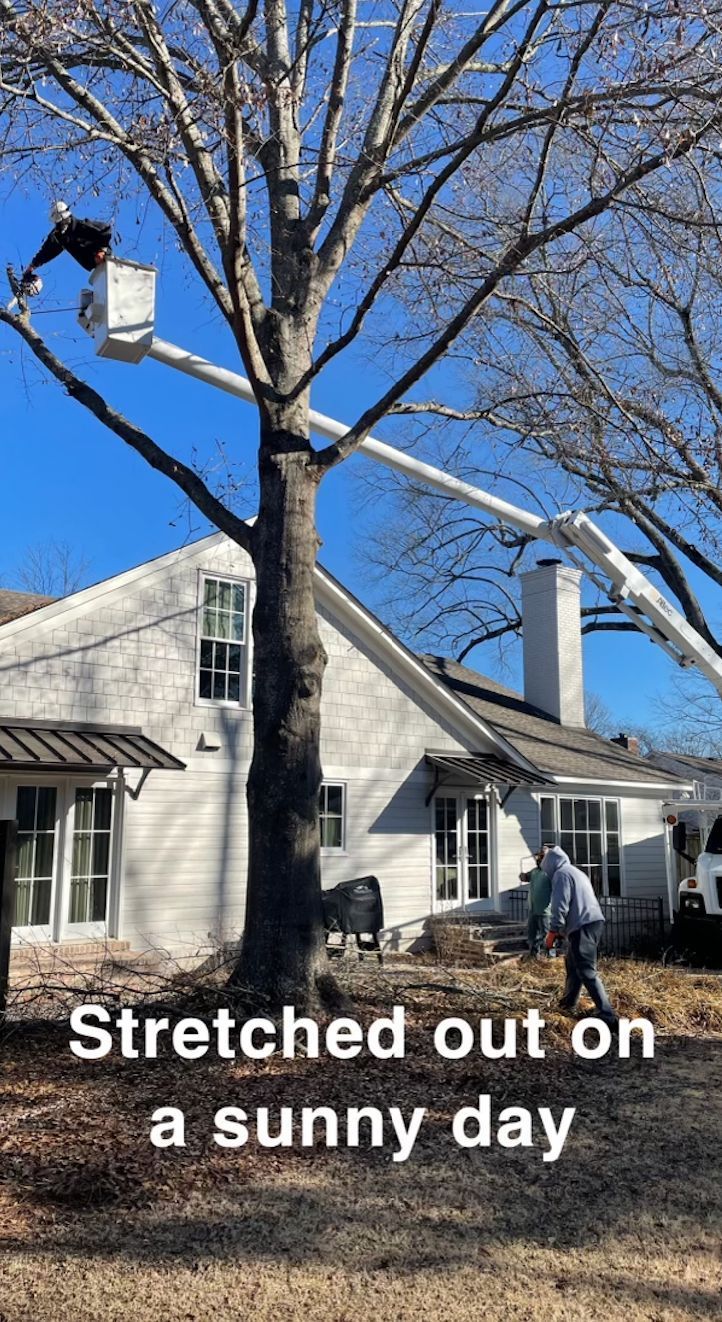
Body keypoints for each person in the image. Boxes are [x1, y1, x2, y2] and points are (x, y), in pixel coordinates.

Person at [541, 845, 618, 1029]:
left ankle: (607, 1015)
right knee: (573, 966)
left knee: (586, 970)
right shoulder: (575, 872)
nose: (546, 874)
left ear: (550, 865)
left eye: (545, 870)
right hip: (591, 922)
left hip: (583, 925)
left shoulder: (561, 874)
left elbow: (560, 905)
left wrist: (552, 932)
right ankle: (568, 1004)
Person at [22, 201, 113, 283]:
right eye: (58, 223)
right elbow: (47, 250)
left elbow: (106, 230)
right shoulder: (60, 236)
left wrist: (102, 250)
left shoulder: (82, 226)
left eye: (61, 222)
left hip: (106, 260)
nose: (60, 226)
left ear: (67, 217)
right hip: (95, 267)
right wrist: (32, 266)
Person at [520, 849, 552, 957]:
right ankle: (534, 957)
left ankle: (550, 957)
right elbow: (525, 877)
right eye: (538, 857)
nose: (538, 859)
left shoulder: (551, 873)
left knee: (547, 937)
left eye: (542, 857)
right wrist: (522, 876)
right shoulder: (534, 872)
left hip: (545, 910)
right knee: (532, 936)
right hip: (533, 910)